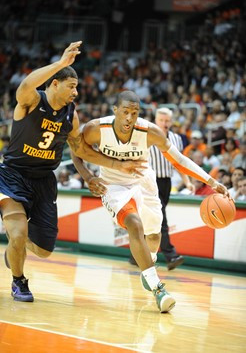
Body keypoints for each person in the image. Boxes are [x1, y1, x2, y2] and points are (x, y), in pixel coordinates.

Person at [0, 42, 145, 303]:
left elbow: (81, 150)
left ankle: (13, 250)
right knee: (19, 232)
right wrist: (60, 63)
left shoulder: (71, 116)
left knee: (44, 250)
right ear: (55, 83)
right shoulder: (33, 101)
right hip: (13, 175)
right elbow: (24, 86)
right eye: (71, 86)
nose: (76, 92)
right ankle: (19, 282)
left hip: (44, 180)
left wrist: (110, 167)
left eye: (76, 87)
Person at [81, 90, 229, 313]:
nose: (129, 118)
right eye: (125, 112)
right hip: (113, 186)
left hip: (144, 181)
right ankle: (158, 287)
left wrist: (210, 180)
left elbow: (178, 161)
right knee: (134, 224)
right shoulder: (96, 128)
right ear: (115, 111)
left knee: (154, 235)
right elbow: (76, 149)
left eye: (134, 113)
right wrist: (88, 176)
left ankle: (147, 265)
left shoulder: (149, 131)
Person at [146, 107, 195, 270]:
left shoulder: (176, 138)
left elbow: (178, 163)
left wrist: (187, 181)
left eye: (167, 121)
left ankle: (137, 255)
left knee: (151, 220)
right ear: (156, 120)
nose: (165, 124)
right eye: (162, 120)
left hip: (166, 182)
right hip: (150, 181)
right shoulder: (147, 135)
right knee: (161, 219)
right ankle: (171, 255)